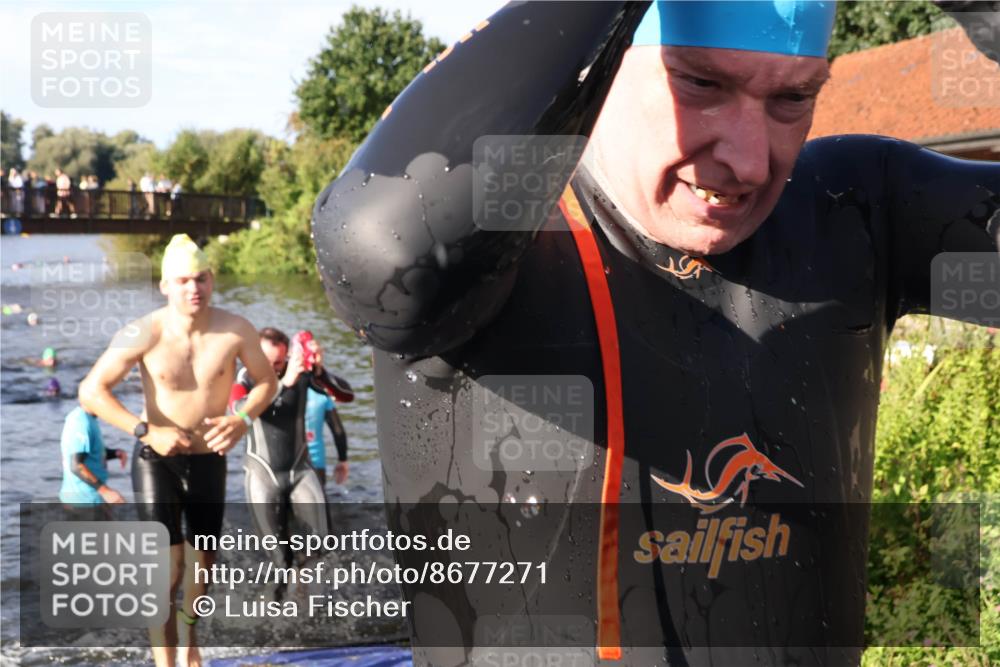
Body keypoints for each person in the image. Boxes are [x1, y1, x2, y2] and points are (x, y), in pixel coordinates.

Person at [311, 2, 1000, 666]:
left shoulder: (853, 213)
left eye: (793, 99)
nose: (751, 161)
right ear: (606, 58)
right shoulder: (494, 245)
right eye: (702, 84)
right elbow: (378, 255)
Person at [79, 233, 279, 667]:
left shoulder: (235, 329)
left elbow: (268, 381)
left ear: (212, 280)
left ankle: (191, 643)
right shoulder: (143, 331)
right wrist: (145, 430)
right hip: (157, 460)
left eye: (202, 278)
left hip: (210, 458)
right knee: (165, 573)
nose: (194, 288)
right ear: (166, 285)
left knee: (202, 572)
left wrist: (242, 418)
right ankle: (165, 663)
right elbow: (91, 390)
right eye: (184, 280)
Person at [230, 327, 354, 600]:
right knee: (280, 560)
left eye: (278, 363)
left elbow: (346, 396)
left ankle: (307, 605)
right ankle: (273, 621)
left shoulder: (300, 373)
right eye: (267, 363)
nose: (272, 369)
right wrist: (283, 383)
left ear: (287, 356)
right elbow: (239, 411)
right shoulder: (245, 377)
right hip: (263, 475)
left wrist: (320, 373)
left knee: (322, 545)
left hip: (300, 471)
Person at [301, 335, 349, 488]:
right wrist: (343, 460)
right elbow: (338, 431)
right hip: (316, 463)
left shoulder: (279, 387)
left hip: (287, 463)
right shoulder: (321, 395)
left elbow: (347, 395)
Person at [58, 405, 128, 507]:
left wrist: (115, 453)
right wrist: (105, 491)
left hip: (91, 497)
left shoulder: (89, 418)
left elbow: (91, 452)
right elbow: (76, 465)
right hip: (83, 501)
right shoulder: (81, 422)